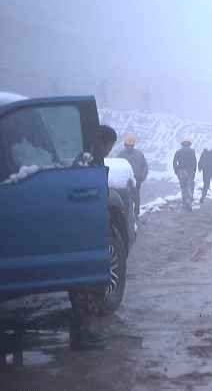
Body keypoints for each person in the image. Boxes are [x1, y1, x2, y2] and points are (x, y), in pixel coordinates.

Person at [69, 124, 118, 350]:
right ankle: (83, 335)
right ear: (105, 143)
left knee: (87, 286)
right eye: (110, 145)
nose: (110, 150)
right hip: (85, 234)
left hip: (85, 232)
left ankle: (84, 332)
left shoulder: (86, 161)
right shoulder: (88, 164)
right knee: (85, 288)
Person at [117, 134, 148, 216]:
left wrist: (143, 176)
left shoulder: (139, 154)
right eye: (128, 145)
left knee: (136, 196)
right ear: (124, 145)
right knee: (127, 198)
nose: (129, 147)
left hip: (137, 179)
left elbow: (144, 165)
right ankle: (129, 214)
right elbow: (117, 168)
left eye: (131, 145)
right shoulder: (120, 156)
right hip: (125, 181)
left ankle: (136, 213)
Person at [172, 137, 197, 211]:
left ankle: (184, 201)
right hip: (190, 171)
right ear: (189, 144)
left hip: (181, 172)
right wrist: (194, 172)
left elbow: (174, 163)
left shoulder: (178, 152)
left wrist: (177, 171)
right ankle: (189, 200)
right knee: (190, 186)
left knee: (183, 187)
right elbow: (194, 162)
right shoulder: (192, 151)